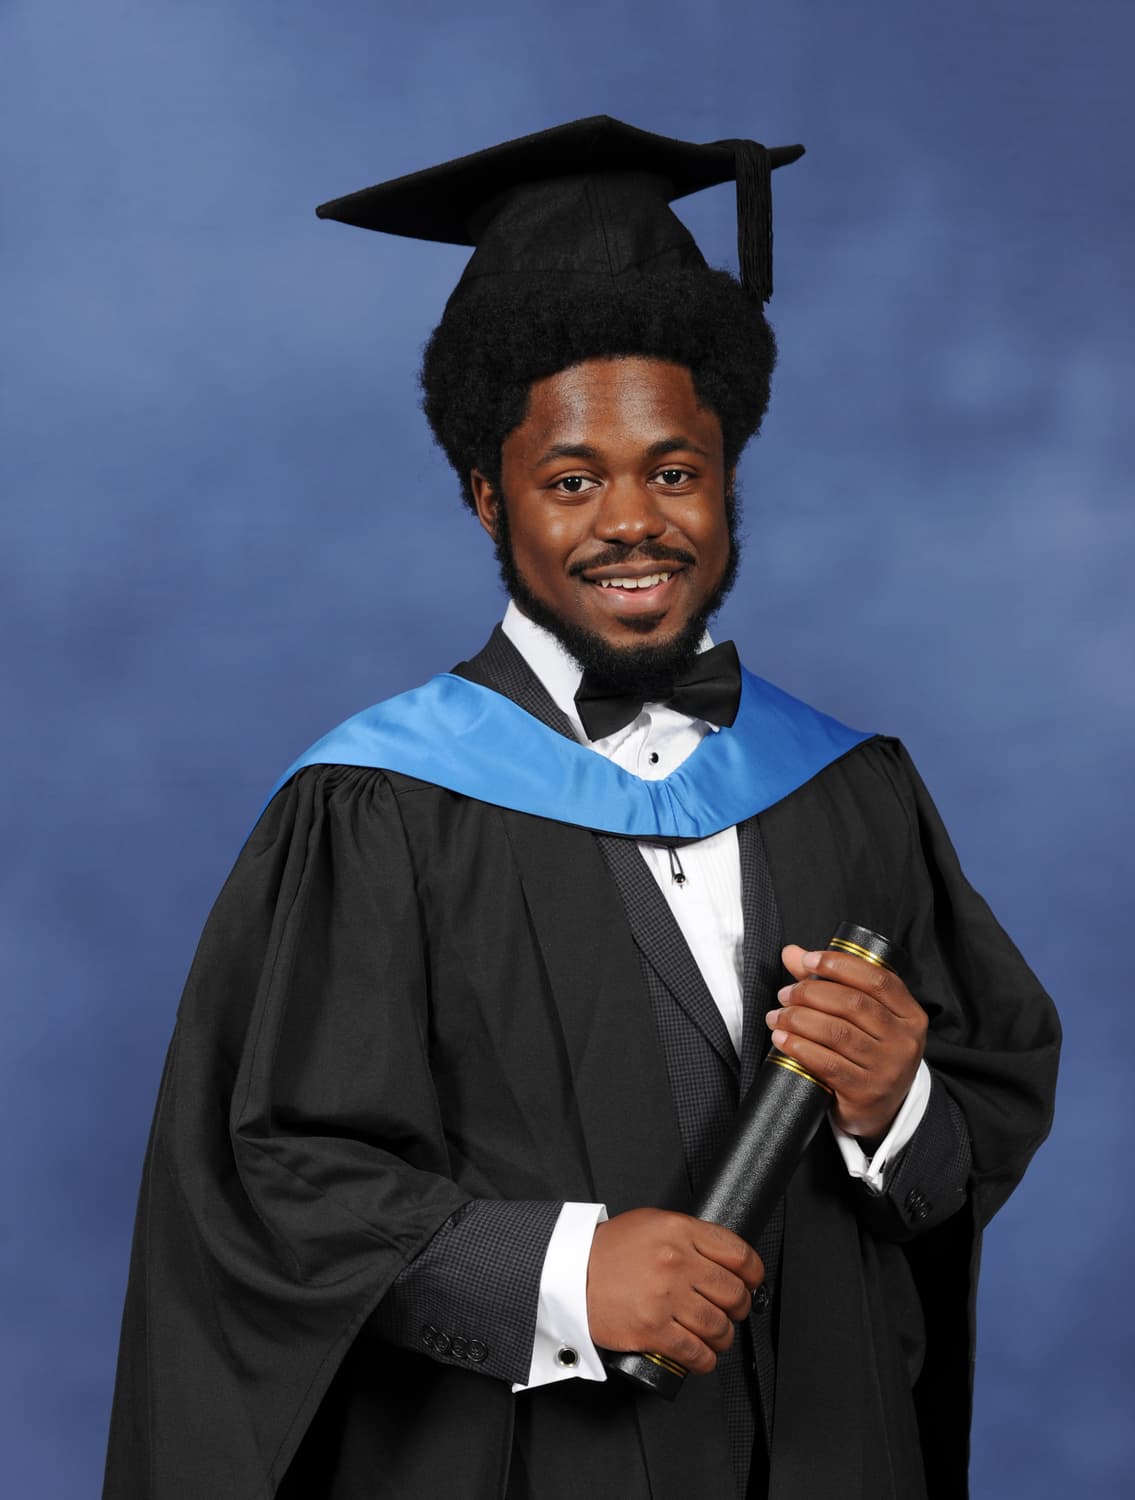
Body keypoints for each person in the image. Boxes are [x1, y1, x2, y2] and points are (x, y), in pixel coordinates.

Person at [103, 117, 1060, 1500]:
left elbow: (984, 1109)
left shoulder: (854, 790)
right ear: (487, 497)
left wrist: (898, 1101)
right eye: (571, 479)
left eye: (675, 470)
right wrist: (558, 1272)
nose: (634, 520)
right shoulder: (380, 808)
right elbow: (274, 1180)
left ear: (728, 484)